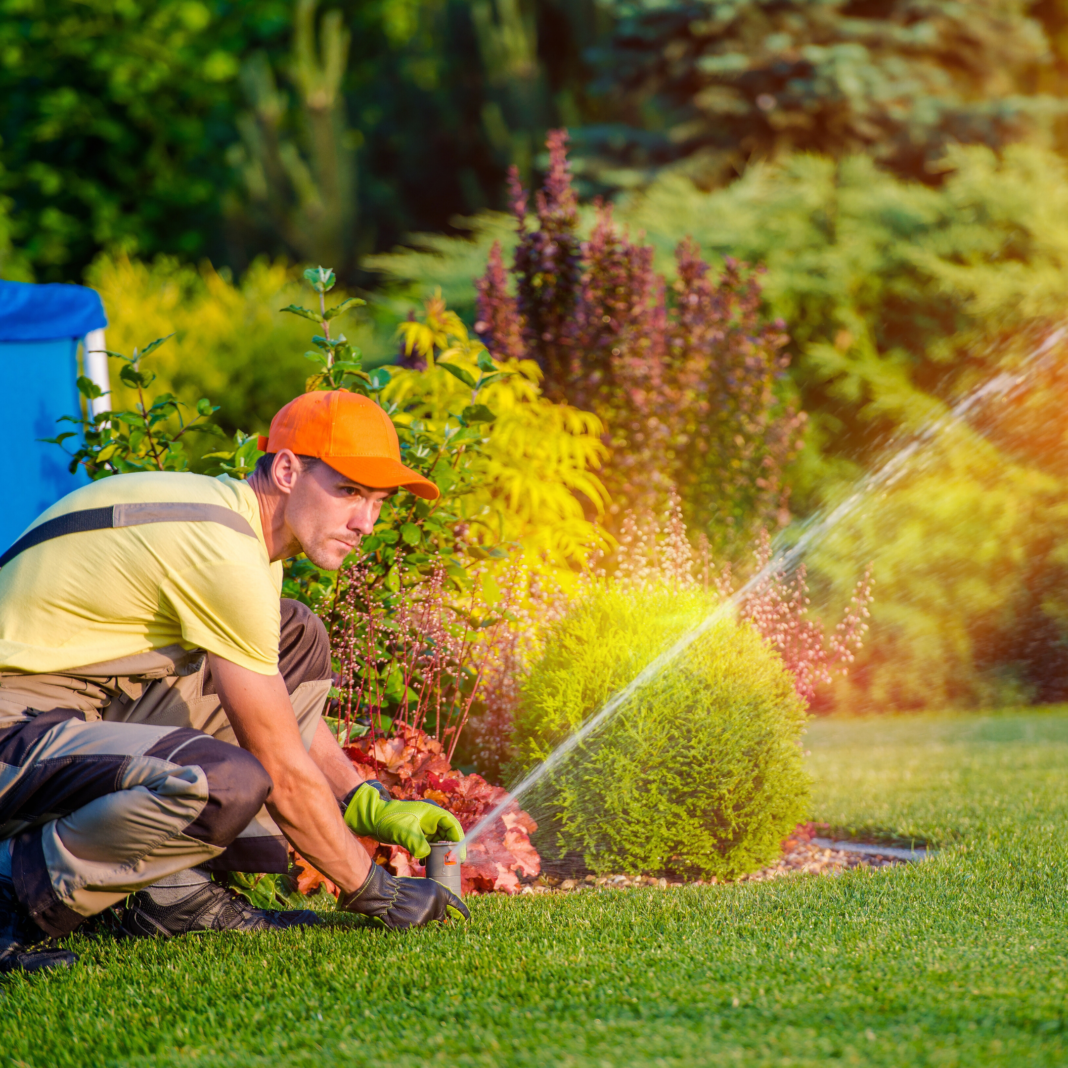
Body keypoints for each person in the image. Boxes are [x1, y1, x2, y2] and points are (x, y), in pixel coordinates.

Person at [0, 389, 469, 976]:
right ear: (288, 468)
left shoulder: (241, 536)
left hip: (74, 710)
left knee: (295, 634)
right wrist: (375, 890)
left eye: (377, 501)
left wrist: (359, 799)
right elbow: (278, 758)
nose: (365, 522)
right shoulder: (221, 548)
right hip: (14, 727)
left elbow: (274, 705)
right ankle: (10, 890)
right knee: (220, 783)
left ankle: (170, 894)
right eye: (349, 492)